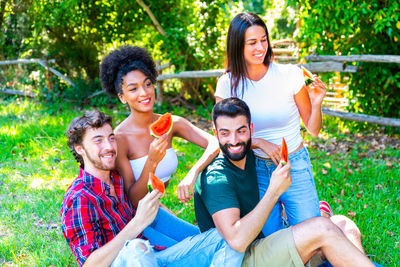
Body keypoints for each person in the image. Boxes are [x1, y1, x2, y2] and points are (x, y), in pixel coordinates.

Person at [194, 98, 375, 266]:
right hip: (241, 259)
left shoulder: (247, 155)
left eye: (240, 131)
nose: (234, 141)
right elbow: (237, 242)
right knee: (322, 227)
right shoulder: (216, 178)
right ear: (216, 134)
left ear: (251, 129)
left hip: (263, 246)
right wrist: (274, 190)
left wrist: (261, 143)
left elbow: (244, 142)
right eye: (225, 134)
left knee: (343, 224)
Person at [60, 110, 244, 267]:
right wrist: (137, 224)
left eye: (111, 138)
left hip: (153, 255)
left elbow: (140, 201)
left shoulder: (116, 178)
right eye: (98, 141)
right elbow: (89, 264)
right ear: (80, 149)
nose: (109, 147)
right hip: (132, 258)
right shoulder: (79, 198)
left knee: (228, 237)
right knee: (135, 249)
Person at [214, 12, 328, 236]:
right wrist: (259, 143)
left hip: (293, 164)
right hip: (253, 170)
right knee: (270, 241)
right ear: (238, 46)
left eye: (263, 40)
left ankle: (321, 212)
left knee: (311, 238)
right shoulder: (226, 84)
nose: (260, 48)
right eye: (252, 42)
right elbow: (223, 138)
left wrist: (316, 103)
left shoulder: (290, 75)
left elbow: (313, 129)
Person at [99, 46, 219, 247]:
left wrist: (193, 173)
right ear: (122, 97)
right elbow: (132, 199)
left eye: (147, 84)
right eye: (133, 88)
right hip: (133, 221)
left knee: (211, 242)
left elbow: (215, 143)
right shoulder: (120, 138)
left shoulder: (172, 123)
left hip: (156, 210)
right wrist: (152, 161)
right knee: (195, 252)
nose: (144, 93)